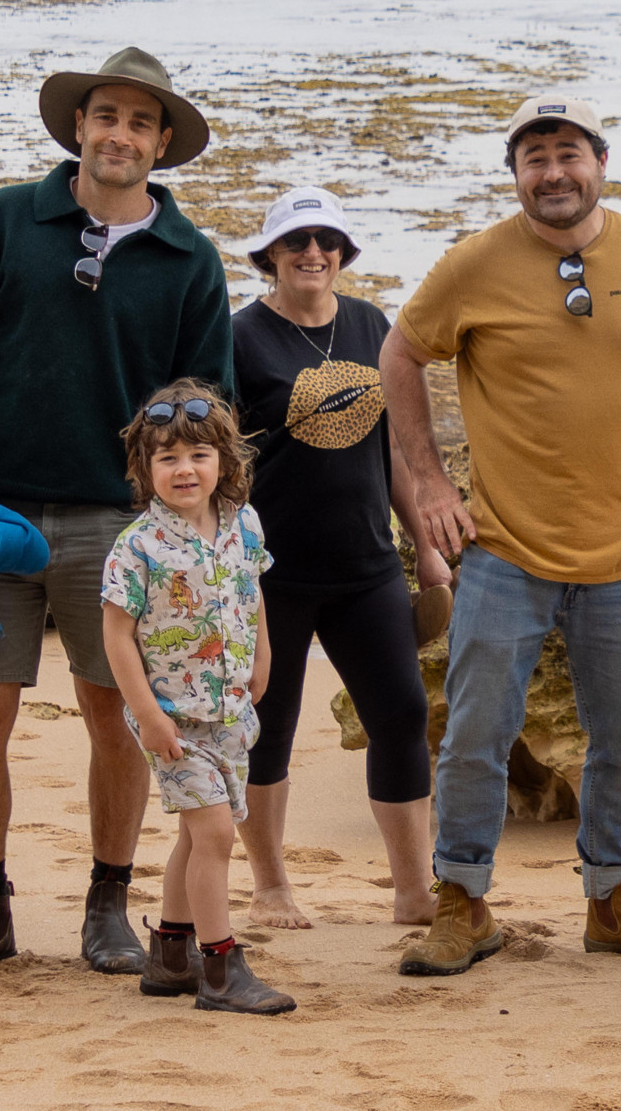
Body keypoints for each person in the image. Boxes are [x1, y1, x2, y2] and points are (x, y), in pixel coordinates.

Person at [381, 94, 621, 976]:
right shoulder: (472, 265)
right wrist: (427, 480)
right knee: (473, 733)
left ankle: (615, 901)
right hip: (503, 549)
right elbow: (400, 356)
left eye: (568, 152)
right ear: (515, 174)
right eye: (534, 156)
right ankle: (462, 901)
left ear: (600, 162)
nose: (553, 171)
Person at [0, 47, 235, 977]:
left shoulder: (189, 259)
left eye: (141, 121)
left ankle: (109, 904)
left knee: (121, 715)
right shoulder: (6, 220)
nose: (120, 134)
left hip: (123, 528)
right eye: (106, 115)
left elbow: (206, 405)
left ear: (162, 143)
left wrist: (184, 521)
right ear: (79, 128)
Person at [231, 187, 447, 929]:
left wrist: (424, 546)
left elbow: (390, 445)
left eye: (326, 240)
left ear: (344, 252)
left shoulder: (370, 323)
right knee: (269, 724)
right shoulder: (240, 337)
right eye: (296, 241)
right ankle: (269, 885)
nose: (312, 252)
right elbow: (221, 462)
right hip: (272, 574)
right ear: (270, 254)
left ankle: (413, 887)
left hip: (368, 566)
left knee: (402, 715)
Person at [101, 380, 292, 1015]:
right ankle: (220, 968)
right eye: (167, 458)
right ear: (144, 467)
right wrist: (149, 717)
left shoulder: (245, 523)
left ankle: (170, 955)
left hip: (232, 711)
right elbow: (118, 637)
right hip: (173, 720)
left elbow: (254, 590)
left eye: (198, 455)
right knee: (214, 835)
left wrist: (263, 655)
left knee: (196, 835)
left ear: (224, 461)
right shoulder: (138, 547)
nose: (184, 469)